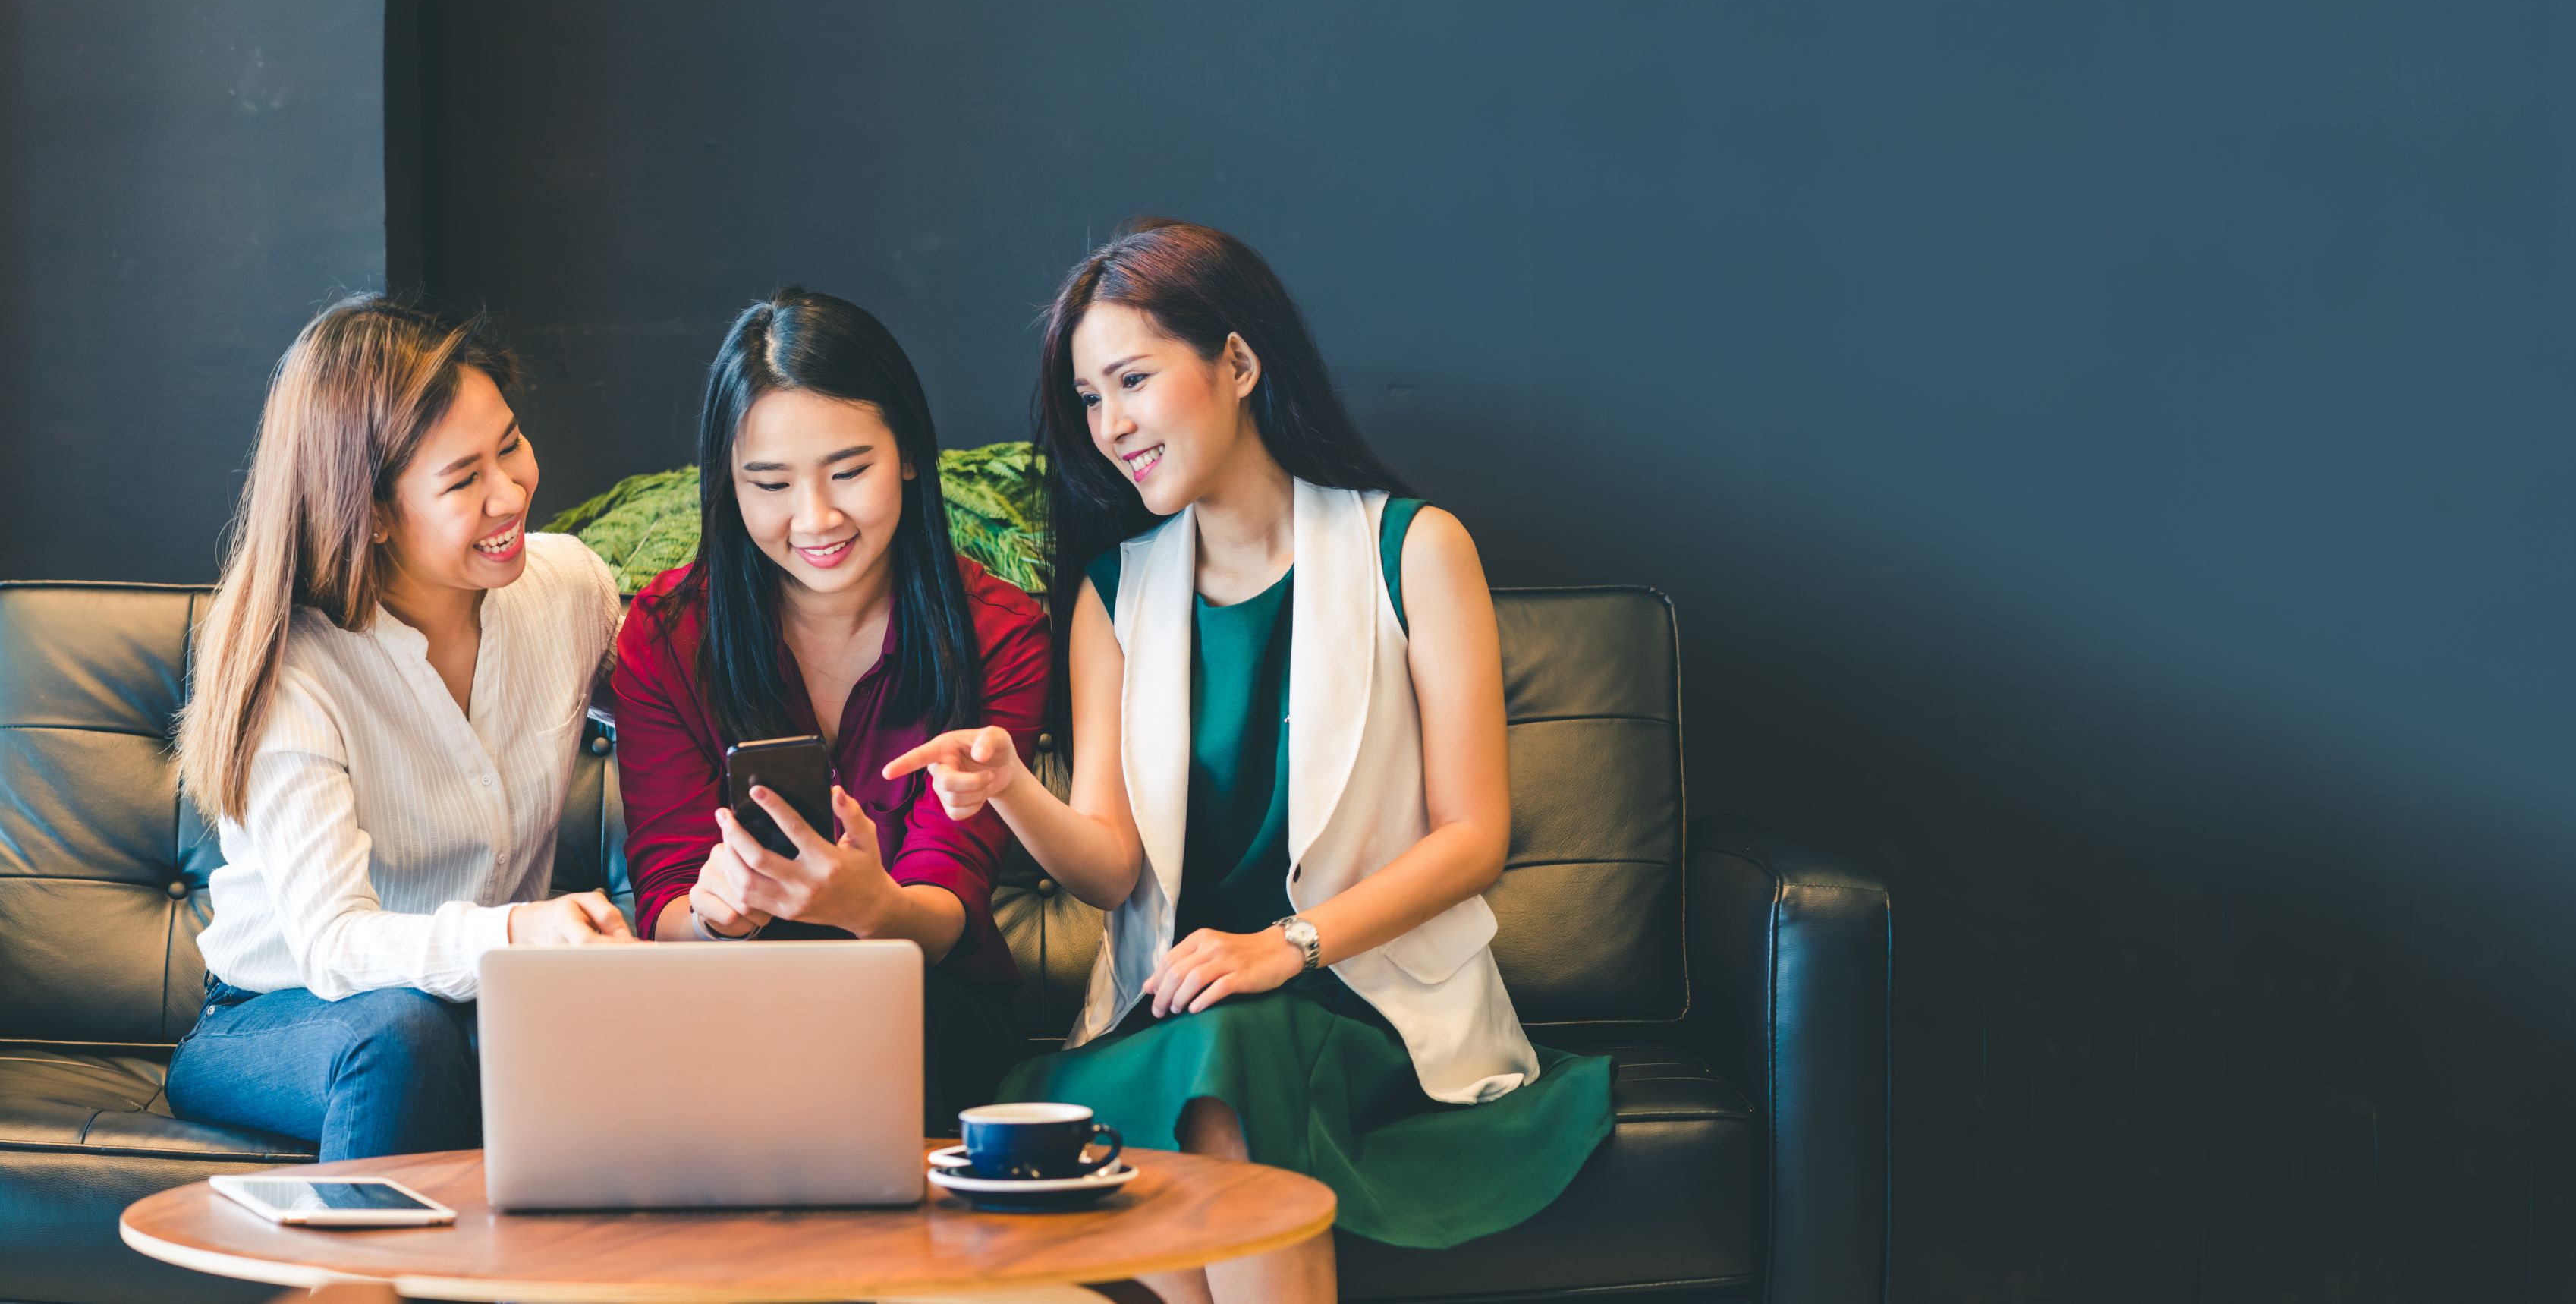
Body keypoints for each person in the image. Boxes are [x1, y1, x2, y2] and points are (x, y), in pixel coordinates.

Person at [885, 221, 1610, 1304]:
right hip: (1179, 1014)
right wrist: (1011, 791)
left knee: (1229, 1062)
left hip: (1362, 1003)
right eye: (1088, 399)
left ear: (1238, 362)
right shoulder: (1110, 594)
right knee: (1214, 1059)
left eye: (1133, 379)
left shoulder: (1413, 549)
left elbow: (1474, 839)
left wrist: (1288, 945)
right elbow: (1110, 870)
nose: (1111, 425)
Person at [168, 298, 634, 1162]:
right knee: (403, 1030)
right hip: (282, 1011)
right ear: (372, 509)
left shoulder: (569, 588)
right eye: (464, 479)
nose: (512, 490)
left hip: (478, 1007)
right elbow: (337, 946)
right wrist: (516, 931)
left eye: (512, 443)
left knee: (546, 1031)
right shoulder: (294, 663)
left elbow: (685, 715)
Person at [613, 288, 1050, 1125]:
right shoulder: (668, 635)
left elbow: (948, 900)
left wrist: (872, 906)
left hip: (927, 1007)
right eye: (769, 483)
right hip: (726, 1014)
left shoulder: (998, 632)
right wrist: (715, 919)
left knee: (890, 1022)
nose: (814, 518)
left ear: (910, 454)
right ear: (729, 484)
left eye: (849, 471)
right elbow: (666, 895)